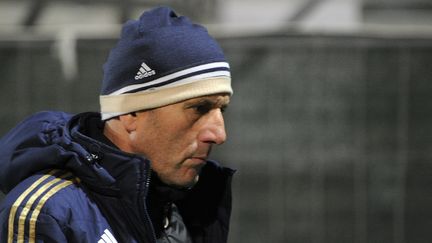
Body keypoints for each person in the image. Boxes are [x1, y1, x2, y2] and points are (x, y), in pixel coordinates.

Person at [0, 6, 235, 243]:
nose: (219, 134)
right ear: (131, 113)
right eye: (199, 108)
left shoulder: (185, 206)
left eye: (221, 109)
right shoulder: (48, 214)